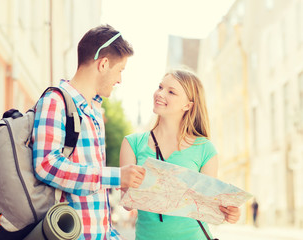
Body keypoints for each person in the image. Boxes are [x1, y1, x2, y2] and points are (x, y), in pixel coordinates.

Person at [32, 24, 146, 240]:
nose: (120, 79)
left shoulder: (93, 111)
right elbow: (46, 165)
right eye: (120, 70)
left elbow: (93, 197)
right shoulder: (56, 101)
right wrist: (117, 176)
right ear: (103, 64)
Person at [119, 68, 241, 239]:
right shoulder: (132, 143)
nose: (160, 94)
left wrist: (230, 213)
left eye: (171, 92)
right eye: (160, 87)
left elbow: (208, 207)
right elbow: (126, 205)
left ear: (188, 105)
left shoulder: (205, 149)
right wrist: (127, 187)